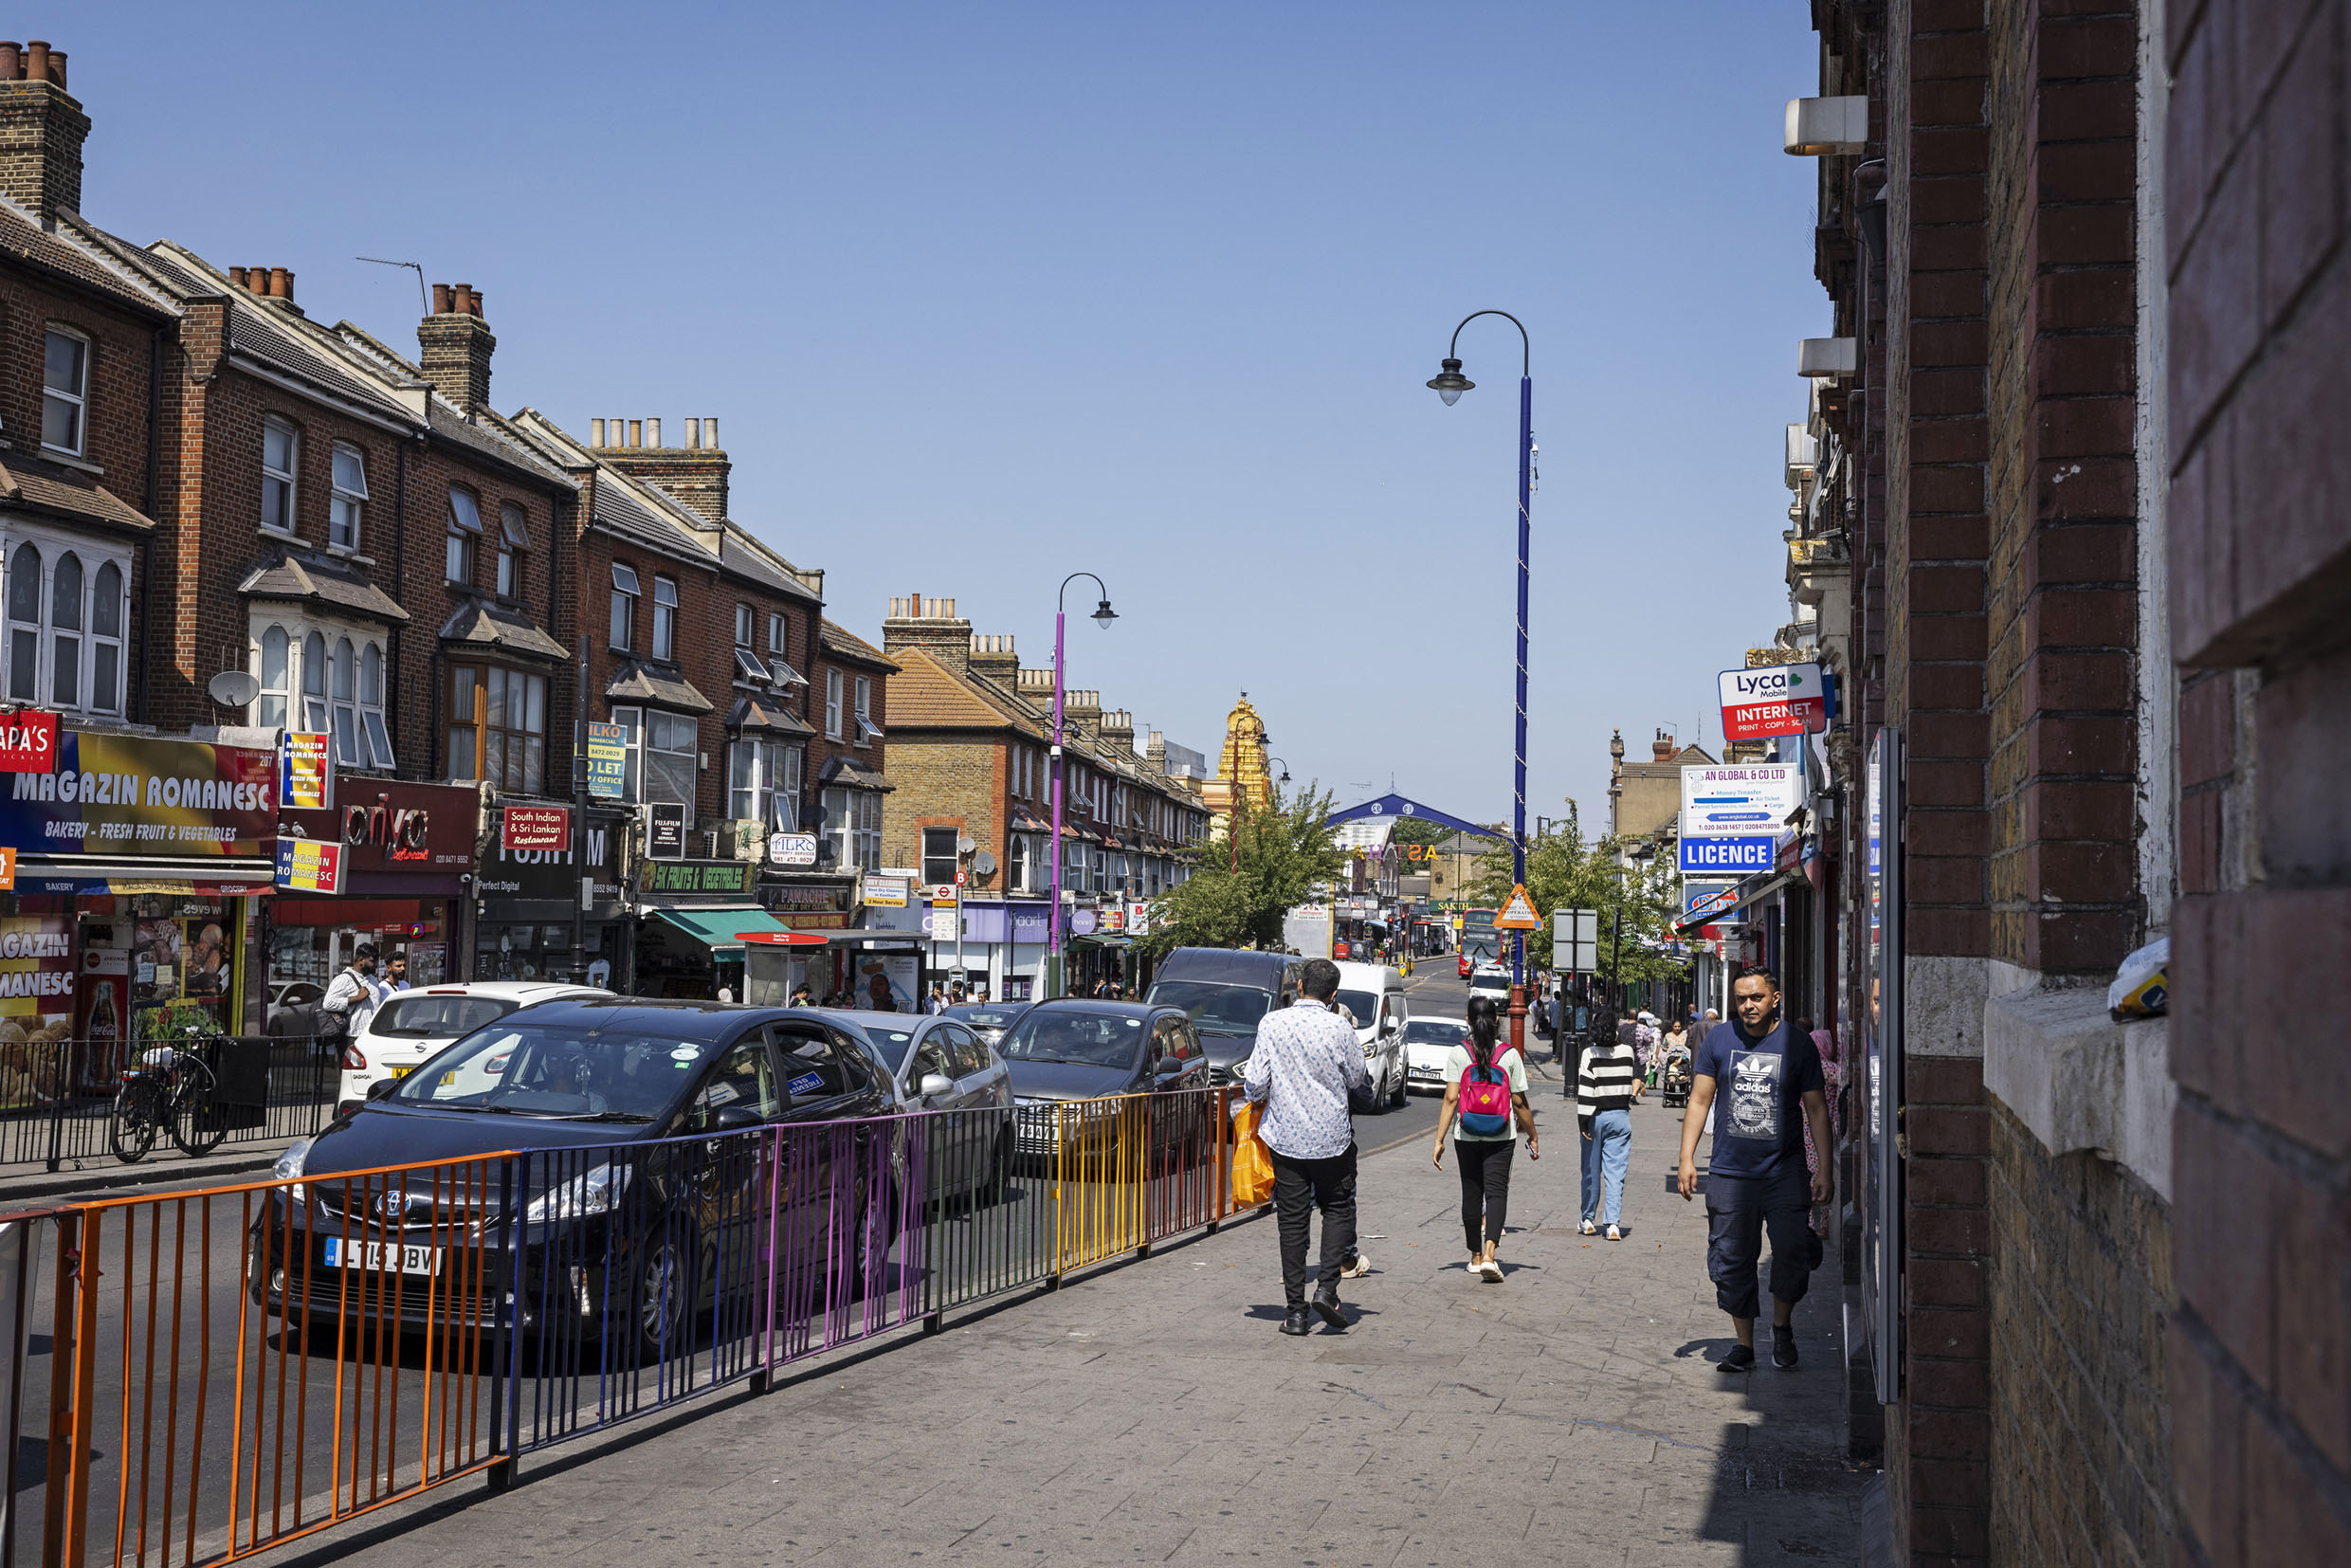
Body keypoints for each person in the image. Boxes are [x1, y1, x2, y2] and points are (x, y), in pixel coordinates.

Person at [1677, 968, 1832, 1373]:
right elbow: (1699, 1100)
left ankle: (1781, 1326)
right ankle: (1744, 1344)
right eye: (1741, 998)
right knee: (1731, 1258)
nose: (1748, 1005)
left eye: (1757, 997)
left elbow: (1816, 1109)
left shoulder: (1797, 1044)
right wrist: (1687, 1158)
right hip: (1730, 1173)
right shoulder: (1719, 1039)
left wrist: (1825, 1169)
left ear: (1775, 999)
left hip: (1785, 1171)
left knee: (1793, 1252)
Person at [1243, 957, 1367, 1336]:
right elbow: (1356, 1077)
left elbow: (1255, 1081)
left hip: (1287, 1140)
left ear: (1299, 987)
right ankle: (1327, 1289)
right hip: (1332, 1139)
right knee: (1337, 1209)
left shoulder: (1272, 1023)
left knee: (1292, 1221)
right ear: (1333, 995)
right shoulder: (1340, 1027)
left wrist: (1264, 1097)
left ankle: (1296, 1313)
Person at [1432, 994, 1539, 1281]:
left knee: (1471, 1193)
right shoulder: (1509, 1055)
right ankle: (1491, 1253)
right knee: (1496, 1193)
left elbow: (1451, 1098)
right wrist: (1532, 1135)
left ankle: (1475, 1256)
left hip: (1466, 1134)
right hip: (1501, 1135)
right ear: (1496, 1020)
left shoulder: (1459, 1053)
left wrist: (1439, 1139)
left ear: (1468, 1020)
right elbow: (1519, 1102)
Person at [1576, 1015, 1641, 1239]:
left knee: (1591, 1171)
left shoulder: (1590, 1054)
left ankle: (1587, 1218)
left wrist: (1583, 1122)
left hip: (1595, 1116)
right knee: (1615, 1173)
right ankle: (1613, 1223)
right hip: (1620, 1116)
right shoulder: (1627, 1052)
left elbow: (1586, 1091)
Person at [321, 944, 382, 1039]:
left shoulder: (373, 980)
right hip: (352, 1038)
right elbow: (328, 1003)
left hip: (372, 1036)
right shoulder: (344, 979)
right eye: (372, 961)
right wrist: (357, 998)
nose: (376, 965)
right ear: (361, 960)